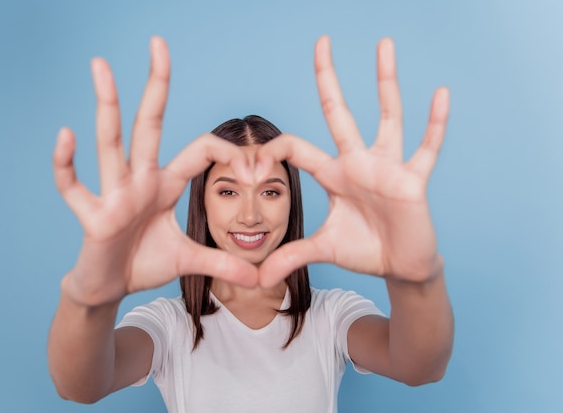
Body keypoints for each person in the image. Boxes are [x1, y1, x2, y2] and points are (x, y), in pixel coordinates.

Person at [48, 35, 454, 413]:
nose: (249, 215)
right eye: (227, 191)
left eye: (270, 191)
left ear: (292, 202)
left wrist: (415, 280)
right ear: (201, 204)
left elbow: (420, 368)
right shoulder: (170, 324)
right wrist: (91, 297)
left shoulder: (329, 315)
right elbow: (80, 385)